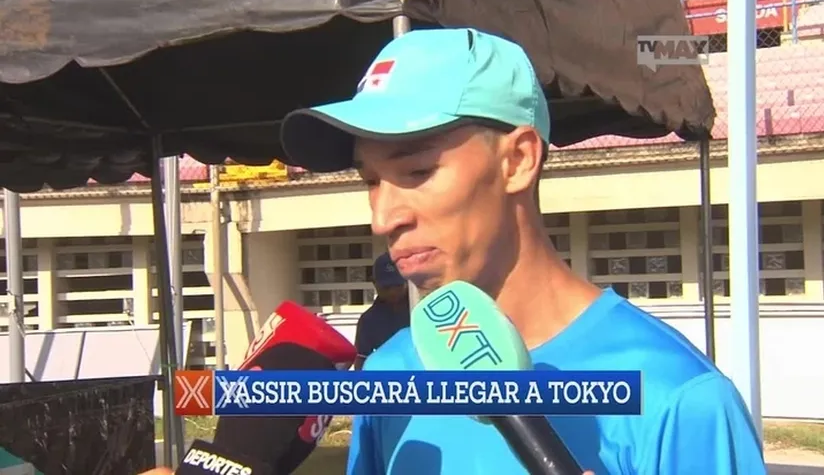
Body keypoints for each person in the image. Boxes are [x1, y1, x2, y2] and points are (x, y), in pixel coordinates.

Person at [280, 28, 766, 475]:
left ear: (518, 160)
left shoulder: (679, 400)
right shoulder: (389, 377)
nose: (384, 218)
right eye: (370, 181)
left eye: (417, 172)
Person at [353, 252, 410, 370]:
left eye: (397, 285)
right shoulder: (368, 320)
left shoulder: (421, 311)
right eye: (386, 287)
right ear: (375, 284)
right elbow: (361, 361)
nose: (392, 292)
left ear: (407, 281)